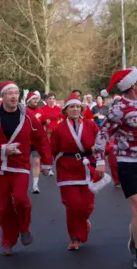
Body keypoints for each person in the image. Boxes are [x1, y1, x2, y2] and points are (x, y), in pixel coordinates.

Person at [0, 81, 53, 256]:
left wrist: (46, 163)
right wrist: (2, 149)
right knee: (3, 208)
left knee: (20, 200)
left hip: (20, 166)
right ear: (2, 96)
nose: (13, 96)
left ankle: (24, 228)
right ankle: (7, 240)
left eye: (16, 93)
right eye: (9, 93)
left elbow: (40, 138)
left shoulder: (28, 116)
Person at [96, 67, 137, 269]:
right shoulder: (118, 109)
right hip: (127, 164)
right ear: (131, 86)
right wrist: (100, 160)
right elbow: (102, 134)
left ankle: (134, 236)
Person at [51, 93, 99, 250]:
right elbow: (52, 149)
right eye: (72, 106)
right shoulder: (59, 129)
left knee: (87, 206)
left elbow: (102, 142)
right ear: (66, 110)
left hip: (87, 167)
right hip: (67, 169)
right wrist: (45, 164)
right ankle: (75, 237)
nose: (75, 109)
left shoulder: (91, 126)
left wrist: (98, 150)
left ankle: (83, 220)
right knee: (73, 205)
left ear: (82, 109)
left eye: (78, 106)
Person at [25, 91, 43, 194]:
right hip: (25, 141)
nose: (36, 100)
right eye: (33, 99)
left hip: (36, 141)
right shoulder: (23, 111)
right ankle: (23, 184)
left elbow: (43, 123)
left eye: (37, 99)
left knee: (36, 162)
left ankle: (35, 185)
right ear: (29, 101)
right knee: (25, 163)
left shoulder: (41, 111)